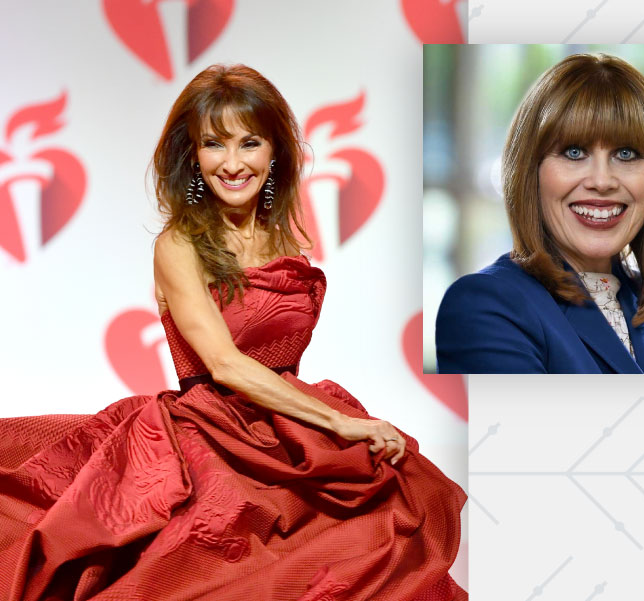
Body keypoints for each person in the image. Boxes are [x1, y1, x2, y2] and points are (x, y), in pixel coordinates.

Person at [0, 64, 466, 601]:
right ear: (193, 155)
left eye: (250, 142)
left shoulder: (284, 242)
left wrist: (332, 428)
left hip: (285, 426)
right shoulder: (179, 245)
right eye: (215, 144)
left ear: (274, 153)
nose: (234, 162)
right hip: (206, 436)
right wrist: (341, 422)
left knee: (399, 499)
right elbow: (223, 363)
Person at [436, 53, 644, 375]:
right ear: (530, 171)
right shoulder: (485, 306)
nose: (602, 182)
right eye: (574, 152)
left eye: (626, 153)